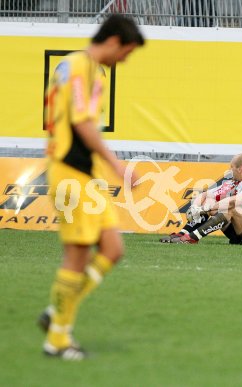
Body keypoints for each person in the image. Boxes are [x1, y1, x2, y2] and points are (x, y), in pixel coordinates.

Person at [38, 14, 145, 360]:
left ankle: (57, 312)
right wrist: (119, 166)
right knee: (77, 255)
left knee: (112, 248)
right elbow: (81, 123)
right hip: (70, 172)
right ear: (113, 41)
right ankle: (57, 339)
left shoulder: (84, 69)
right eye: (126, 53)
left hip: (84, 174)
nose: (125, 61)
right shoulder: (80, 67)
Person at [160, 153, 242, 245]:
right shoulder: (233, 183)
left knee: (230, 208)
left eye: (232, 167)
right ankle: (183, 234)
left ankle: (191, 238)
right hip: (240, 231)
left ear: (240, 169)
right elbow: (206, 195)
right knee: (210, 202)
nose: (230, 170)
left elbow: (235, 201)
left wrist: (205, 208)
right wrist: (195, 207)